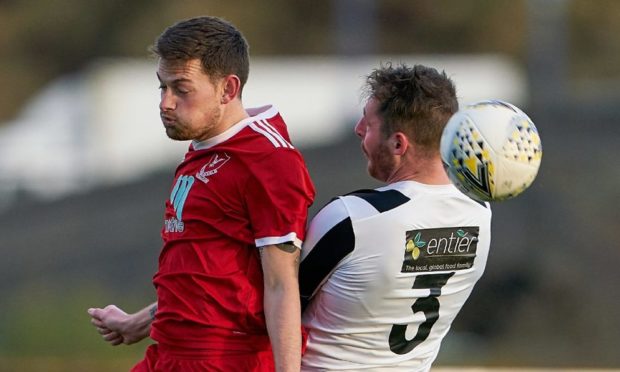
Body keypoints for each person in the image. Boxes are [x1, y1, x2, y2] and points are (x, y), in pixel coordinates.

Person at [88, 16, 315, 372]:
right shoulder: (204, 149)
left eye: (181, 88)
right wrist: (140, 322)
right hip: (169, 352)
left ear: (227, 89)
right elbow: (207, 272)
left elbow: (281, 283)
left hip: (226, 359)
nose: (165, 102)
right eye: (161, 87)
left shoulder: (269, 160)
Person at [298, 63, 492, 371]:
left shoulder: (352, 218)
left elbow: (279, 301)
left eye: (369, 123)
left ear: (398, 144)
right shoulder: (480, 215)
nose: (358, 128)